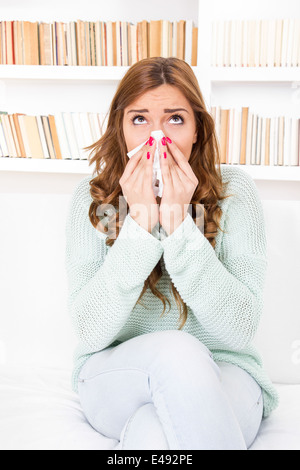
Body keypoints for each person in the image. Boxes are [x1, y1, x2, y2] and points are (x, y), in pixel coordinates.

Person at [65, 57, 279, 450]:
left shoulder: (235, 191)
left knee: (157, 432)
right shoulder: (92, 199)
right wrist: (140, 226)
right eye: (140, 119)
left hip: (225, 370)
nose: (156, 138)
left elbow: (240, 327)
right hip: (116, 375)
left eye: (176, 119)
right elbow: (90, 330)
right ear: (121, 128)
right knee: (177, 349)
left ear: (198, 129)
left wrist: (180, 225)